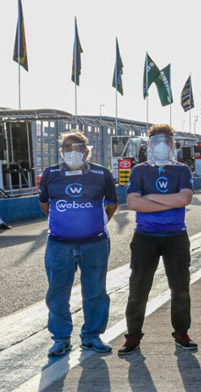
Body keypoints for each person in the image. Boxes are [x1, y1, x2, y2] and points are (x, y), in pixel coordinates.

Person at [119, 125, 197, 356]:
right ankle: (133, 335)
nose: (161, 144)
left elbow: (185, 199)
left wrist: (150, 197)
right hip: (145, 236)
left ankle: (181, 333)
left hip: (176, 236)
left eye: (166, 140)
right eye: (155, 140)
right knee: (138, 288)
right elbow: (133, 203)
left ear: (173, 144)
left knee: (180, 288)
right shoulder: (140, 170)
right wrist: (170, 201)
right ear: (149, 144)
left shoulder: (181, 169)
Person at [38, 131, 118, 356]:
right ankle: (61, 338)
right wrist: (64, 224)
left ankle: (92, 336)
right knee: (57, 294)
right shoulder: (51, 173)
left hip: (95, 243)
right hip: (59, 244)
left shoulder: (101, 174)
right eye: (67, 147)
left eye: (78, 147)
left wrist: (94, 224)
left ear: (86, 150)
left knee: (95, 292)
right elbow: (45, 204)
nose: (72, 151)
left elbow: (112, 204)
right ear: (61, 151)